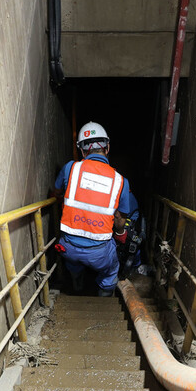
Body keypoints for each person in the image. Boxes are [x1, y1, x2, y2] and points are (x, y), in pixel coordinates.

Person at [51, 122, 138, 296]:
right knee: (111, 270)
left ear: (82, 151)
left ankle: (76, 281)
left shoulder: (70, 168)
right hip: (100, 253)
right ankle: (103, 298)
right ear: (107, 148)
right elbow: (120, 219)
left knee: (73, 260)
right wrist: (120, 234)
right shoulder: (120, 181)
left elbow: (56, 191)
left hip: (68, 246)